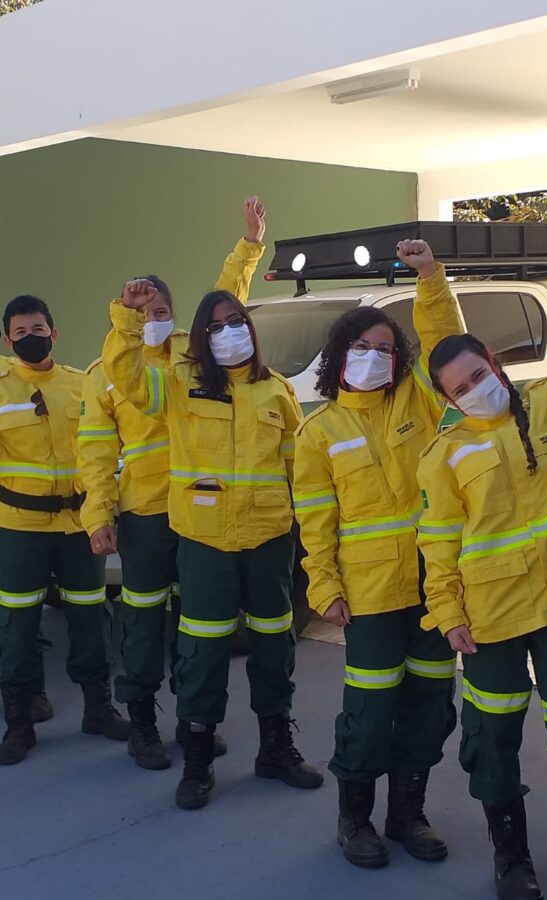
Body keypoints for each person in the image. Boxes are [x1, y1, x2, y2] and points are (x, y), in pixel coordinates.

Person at [417, 215, 547, 900]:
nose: (473, 388)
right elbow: (438, 542)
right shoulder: (446, 454)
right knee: (490, 743)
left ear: (497, 366)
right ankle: (513, 860)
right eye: (458, 387)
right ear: (447, 400)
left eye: (479, 374)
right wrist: (446, 614)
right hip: (490, 619)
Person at [104, 246, 323, 811]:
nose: (229, 331)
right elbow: (126, 378)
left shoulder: (278, 390)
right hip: (204, 543)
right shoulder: (176, 383)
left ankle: (276, 747)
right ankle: (198, 762)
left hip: (270, 539)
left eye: (237, 323)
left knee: (276, 645)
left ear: (250, 329)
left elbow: (300, 470)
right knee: (202, 654)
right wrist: (129, 319)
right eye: (217, 325)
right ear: (200, 336)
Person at [80, 197, 267, 771]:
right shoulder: (108, 374)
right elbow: (95, 451)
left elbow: (225, 298)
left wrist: (250, 245)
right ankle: (140, 722)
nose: (154, 317)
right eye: (144, 310)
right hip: (145, 514)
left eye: (162, 308)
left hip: (203, 512)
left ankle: (194, 721)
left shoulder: (193, 361)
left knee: (198, 625)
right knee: (142, 618)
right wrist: (99, 515)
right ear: (129, 316)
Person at [293, 238, 463, 869]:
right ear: (339, 356)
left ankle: (407, 814)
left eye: (384, 350)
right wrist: (323, 586)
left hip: (434, 587)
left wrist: (429, 279)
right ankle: (355, 819)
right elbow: (315, 519)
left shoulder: (419, 400)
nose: (372, 357)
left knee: (428, 706)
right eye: (360, 348)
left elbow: (445, 340)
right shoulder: (319, 432)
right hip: (367, 596)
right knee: (369, 709)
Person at [0, 294, 127, 765]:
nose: (30, 338)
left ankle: (99, 708)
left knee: (90, 616)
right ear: (8, 338)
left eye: (38, 329)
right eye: (20, 333)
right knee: (17, 624)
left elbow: (106, 451)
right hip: (17, 526)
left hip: (78, 526)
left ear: (54, 334)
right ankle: (19, 723)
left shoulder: (82, 386)